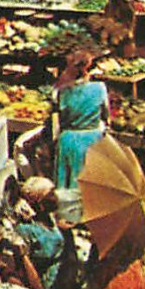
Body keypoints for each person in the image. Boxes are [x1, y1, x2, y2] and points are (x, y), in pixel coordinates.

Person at [53, 49, 109, 194]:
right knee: (89, 190)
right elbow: (106, 116)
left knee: (66, 189)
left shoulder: (62, 92)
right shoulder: (100, 88)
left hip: (67, 142)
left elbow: (59, 119)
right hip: (90, 142)